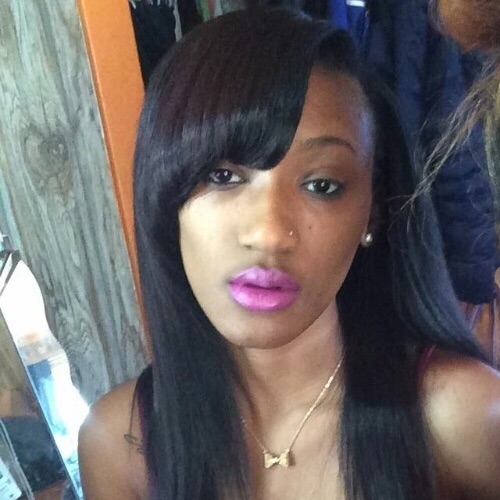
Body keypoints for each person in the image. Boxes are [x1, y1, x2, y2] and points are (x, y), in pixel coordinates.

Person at [78, 8, 500, 500]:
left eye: (322, 185)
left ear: (372, 215)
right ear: (164, 197)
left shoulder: (464, 417)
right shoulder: (119, 443)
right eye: (223, 176)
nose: (270, 233)